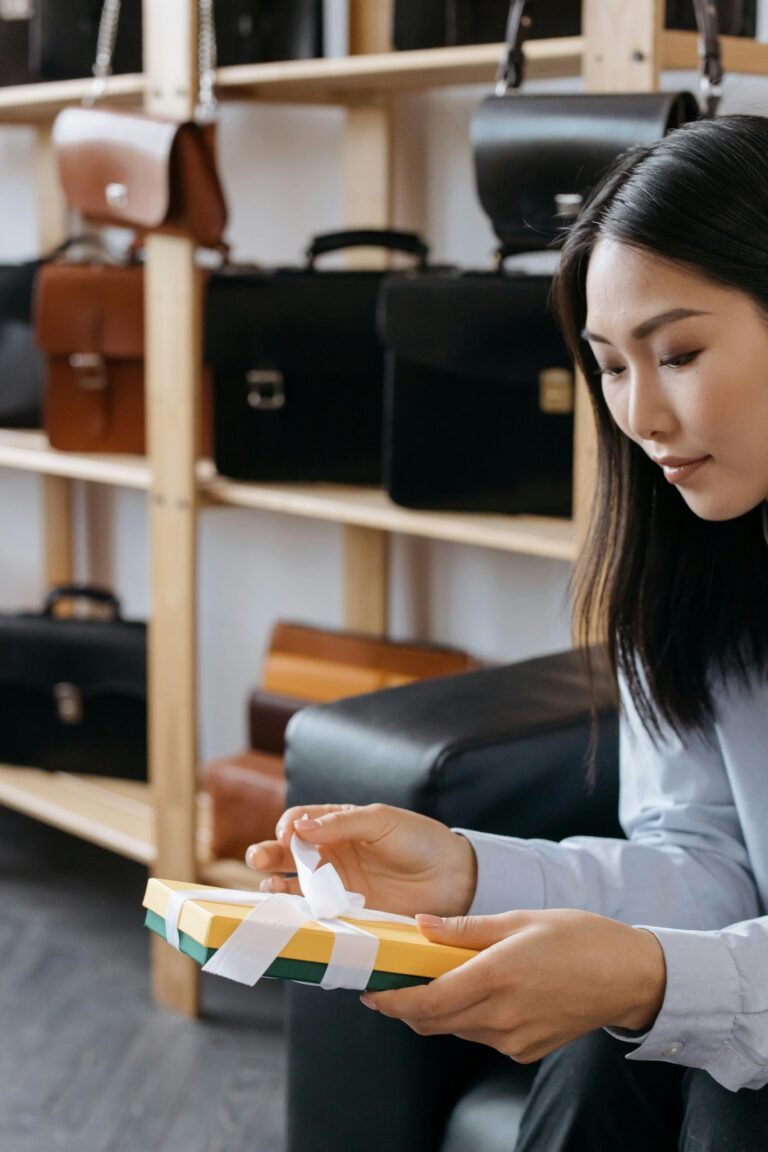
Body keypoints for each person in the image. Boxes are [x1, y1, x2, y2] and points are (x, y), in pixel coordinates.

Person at [246, 114, 768, 1150]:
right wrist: (468, 876)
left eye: (679, 352)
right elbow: (708, 856)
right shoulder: (693, 571)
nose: (642, 416)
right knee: (607, 1048)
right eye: (612, 366)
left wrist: (654, 975)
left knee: (727, 1091)